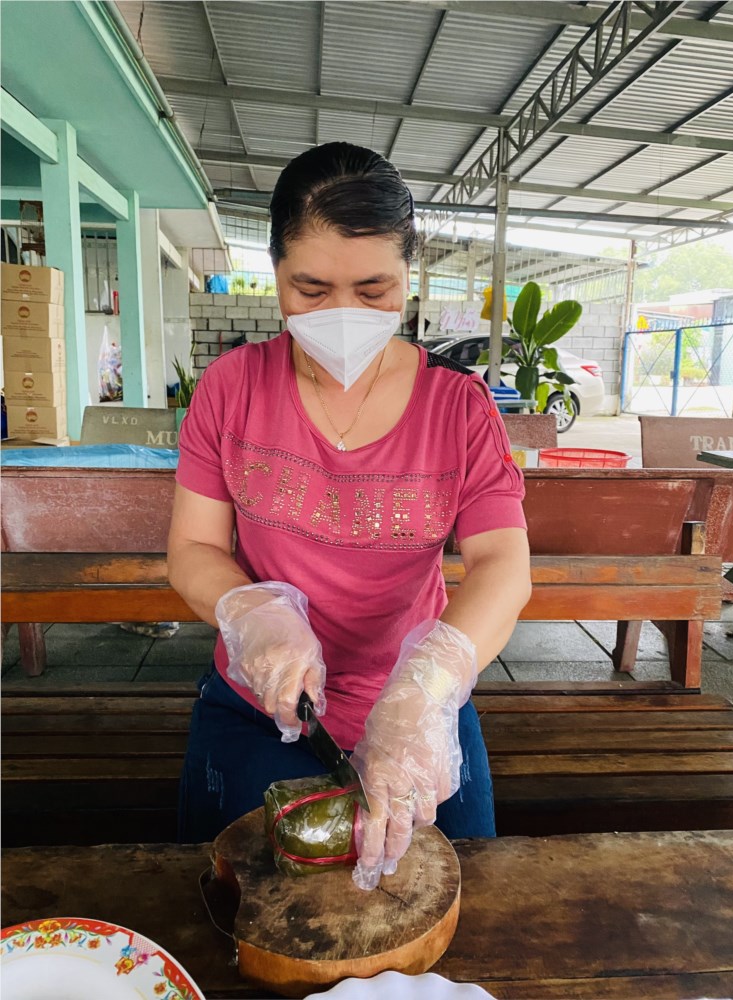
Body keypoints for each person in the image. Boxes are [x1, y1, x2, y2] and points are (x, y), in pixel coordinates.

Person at [169, 142, 531, 890]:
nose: (342, 315)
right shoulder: (231, 389)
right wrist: (257, 617)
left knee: (460, 901)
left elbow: (503, 564)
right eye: (310, 288)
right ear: (275, 272)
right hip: (263, 704)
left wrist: (430, 685)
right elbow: (195, 547)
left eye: (373, 289)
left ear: (409, 279)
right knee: (228, 904)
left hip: (417, 708)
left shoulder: (458, 408)